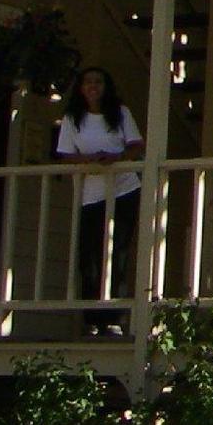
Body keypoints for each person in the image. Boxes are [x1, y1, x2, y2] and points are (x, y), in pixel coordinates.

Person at [55, 66, 144, 335]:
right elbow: (65, 154)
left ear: (106, 86)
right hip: (91, 193)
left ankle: (114, 317)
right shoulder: (73, 118)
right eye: (88, 82)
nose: (93, 86)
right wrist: (89, 160)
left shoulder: (120, 113)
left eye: (99, 82)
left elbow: (137, 145)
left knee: (118, 252)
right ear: (81, 88)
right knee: (90, 256)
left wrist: (115, 158)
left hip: (124, 189)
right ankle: (93, 318)